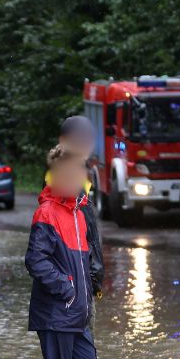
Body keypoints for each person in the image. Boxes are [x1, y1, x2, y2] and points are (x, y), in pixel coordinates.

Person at [26, 144, 100, 359]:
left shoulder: (79, 213)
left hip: (78, 316)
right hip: (56, 314)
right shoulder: (47, 212)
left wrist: (87, 292)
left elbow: (85, 262)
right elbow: (35, 260)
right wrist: (67, 289)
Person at [55, 116, 104, 297]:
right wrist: (71, 285)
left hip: (85, 280)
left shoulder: (80, 171)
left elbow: (88, 231)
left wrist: (93, 277)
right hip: (74, 283)